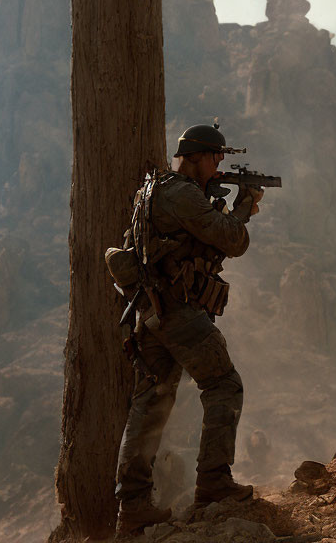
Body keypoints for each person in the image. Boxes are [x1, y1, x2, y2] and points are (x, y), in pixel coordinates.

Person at [113, 124, 263, 535]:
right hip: (176, 311)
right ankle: (214, 483)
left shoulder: (153, 190)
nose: (218, 166)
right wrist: (245, 208)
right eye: (215, 158)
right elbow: (232, 240)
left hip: (150, 312)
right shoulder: (181, 193)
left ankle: (133, 508)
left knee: (150, 406)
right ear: (195, 157)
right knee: (223, 385)